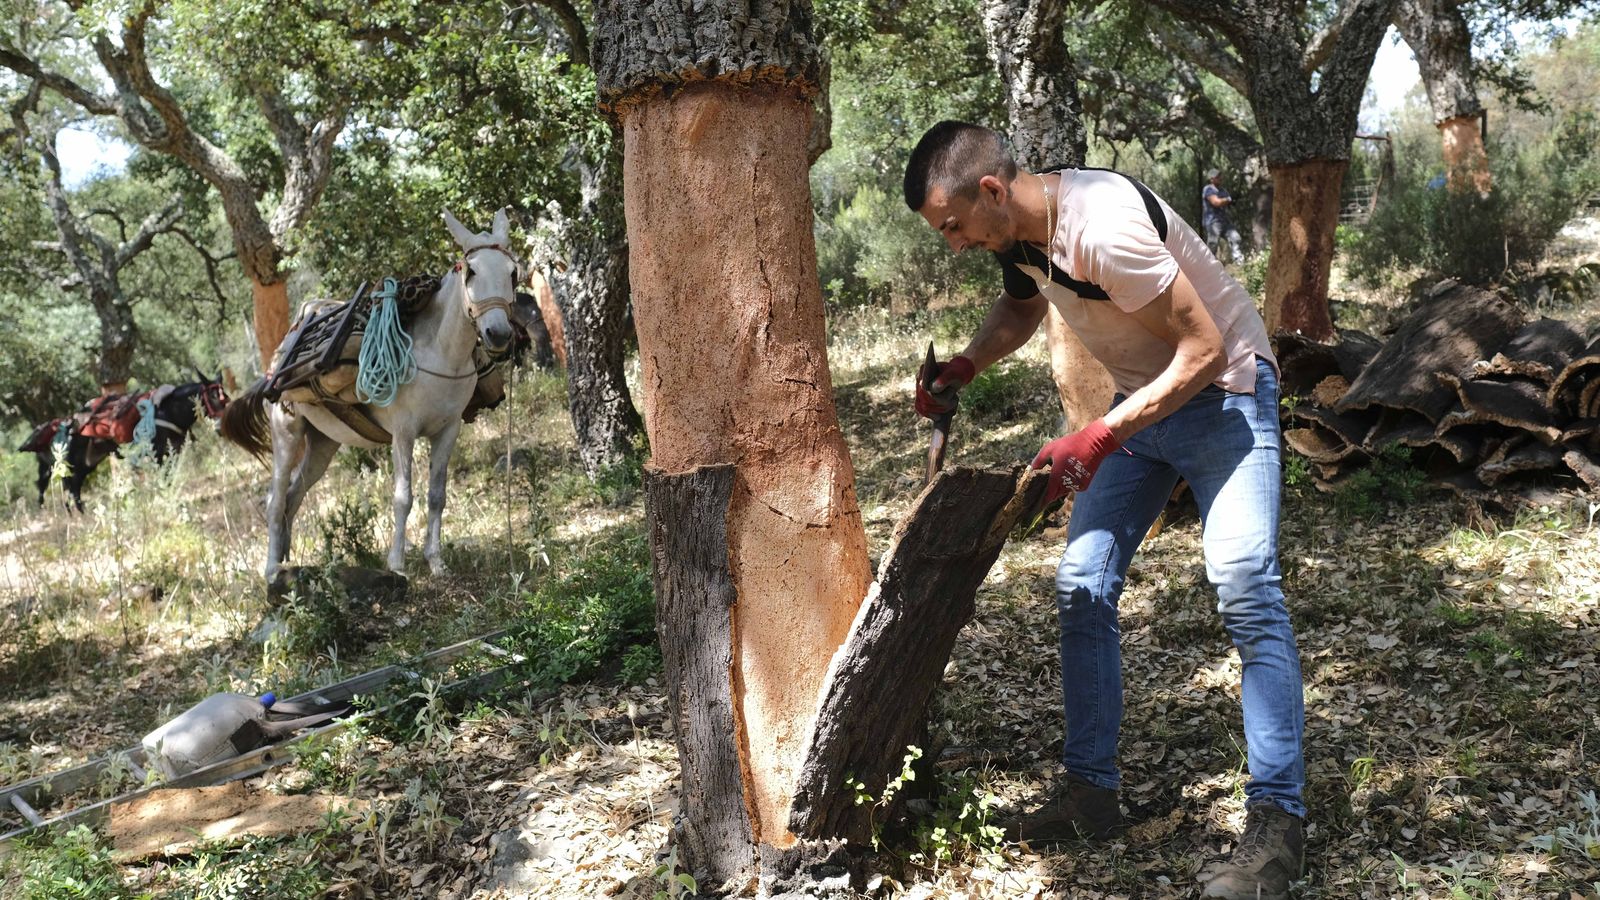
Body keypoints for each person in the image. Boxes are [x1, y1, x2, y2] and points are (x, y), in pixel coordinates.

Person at [903, 121, 1306, 900]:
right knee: (1082, 584)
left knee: (1247, 585)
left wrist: (1096, 435)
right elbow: (1023, 310)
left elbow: (1205, 351)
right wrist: (966, 364)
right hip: (1144, 410)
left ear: (990, 190)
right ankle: (1091, 796)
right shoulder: (1018, 234)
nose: (952, 243)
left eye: (951, 226)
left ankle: (1278, 826)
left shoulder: (1104, 228)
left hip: (1226, 400)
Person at [1202, 167, 1245, 263]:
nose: (1220, 178)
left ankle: (1239, 261)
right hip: (1213, 222)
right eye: (1217, 177)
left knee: (1235, 238)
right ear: (1211, 179)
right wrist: (1229, 199)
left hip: (1225, 220)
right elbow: (1216, 202)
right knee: (1213, 243)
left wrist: (1233, 200)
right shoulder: (1208, 189)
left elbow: (1228, 202)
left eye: (1220, 176)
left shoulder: (1223, 190)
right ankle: (1208, 264)